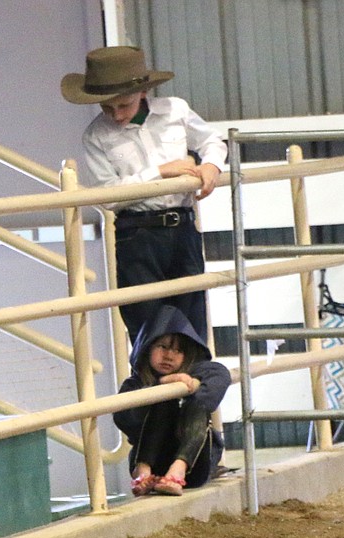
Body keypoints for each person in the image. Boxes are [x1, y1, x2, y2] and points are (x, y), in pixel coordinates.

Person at [61, 45, 226, 344]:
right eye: (107, 108)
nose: (117, 115)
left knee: (191, 318)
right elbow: (107, 196)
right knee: (146, 325)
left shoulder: (175, 110)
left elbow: (212, 139)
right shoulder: (96, 135)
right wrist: (161, 171)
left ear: (142, 94)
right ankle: (152, 387)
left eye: (123, 105)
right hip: (136, 233)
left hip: (183, 227)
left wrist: (211, 166)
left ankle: (190, 386)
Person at [114, 306, 230, 497]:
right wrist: (161, 385)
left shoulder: (196, 373)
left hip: (194, 468)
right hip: (152, 466)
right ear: (147, 346)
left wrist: (192, 384)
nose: (169, 355)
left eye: (179, 350)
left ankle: (178, 470)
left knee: (197, 403)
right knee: (163, 400)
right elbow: (124, 419)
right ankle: (142, 470)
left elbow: (220, 375)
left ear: (189, 354)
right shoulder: (134, 383)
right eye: (163, 346)